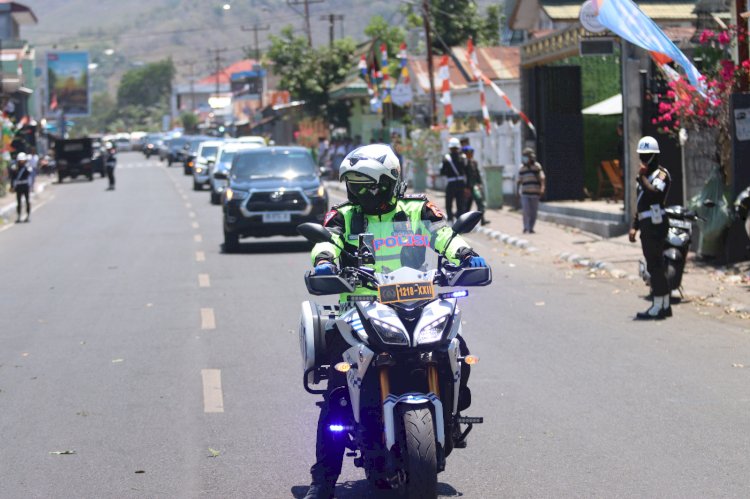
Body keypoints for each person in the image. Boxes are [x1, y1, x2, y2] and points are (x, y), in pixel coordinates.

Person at [303, 143, 488, 499]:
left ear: (387, 182)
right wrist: (325, 263)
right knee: (337, 397)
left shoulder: (418, 209)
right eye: (352, 184)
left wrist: (466, 254)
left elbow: (443, 235)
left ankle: (453, 412)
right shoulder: (345, 215)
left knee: (456, 347)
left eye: (365, 184)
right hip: (360, 308)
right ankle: (323, 479)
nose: (356, 192)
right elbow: (327, 243)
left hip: (418, 301)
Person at [629, 136, 672, 320]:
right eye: (642, 155)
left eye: (647, 155)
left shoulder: (661, 175)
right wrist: (634, 226)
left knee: (655, 266)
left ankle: (658, 306)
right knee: (655, 266)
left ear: (655, 155)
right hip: (647, 223)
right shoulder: (645, 177)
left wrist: (641, 177)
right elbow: (641, 204)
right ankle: (663, 305)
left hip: (657, 224)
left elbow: (654, 194)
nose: (644, 159)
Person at [516, 146, 546, 234]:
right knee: (526, 211)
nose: (524, 158)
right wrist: (517, 192)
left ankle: (531, 227)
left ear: (530, 157)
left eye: (526, 156)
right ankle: (526, 227)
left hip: (535, 193)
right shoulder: (521, 168)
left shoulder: (537, 166)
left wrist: (542, 188)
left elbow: (542, 177)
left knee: (533, 212)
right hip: (525, 193)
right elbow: (519, 180)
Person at [440, 137, 468, 221]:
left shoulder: (446, 158)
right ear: (458, 147)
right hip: (461, 183)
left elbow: (442, 172)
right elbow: (466, 171)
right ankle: (460, 221)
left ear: (450, 148)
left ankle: (450, 220)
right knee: (460, 204)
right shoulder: (463, 157)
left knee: (449, 203)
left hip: (451, 183)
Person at [463, 145, 489, 225]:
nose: (471, 154)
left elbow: (477, 174)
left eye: (472, 153)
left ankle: (482, 220)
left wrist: (479, 183)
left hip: (474, 187)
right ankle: (464, 222)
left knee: (480, 203)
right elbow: (463, 176)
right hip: (467, 187)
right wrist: (465, 188)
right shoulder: (464, 163)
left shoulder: (474, 162)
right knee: (467, 206)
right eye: (469, 153)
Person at [9, 152, 32, 223]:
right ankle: (19, 216)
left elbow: (30, 174)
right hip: (18, 187)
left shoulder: (27, 167)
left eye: (22, 160)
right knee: (18, 203)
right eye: (20, 160)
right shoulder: (15, 168)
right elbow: (12, 178)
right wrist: (12, 186)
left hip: (25, 186)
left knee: (27, 201)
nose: (21, 161)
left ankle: (27, 215)